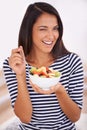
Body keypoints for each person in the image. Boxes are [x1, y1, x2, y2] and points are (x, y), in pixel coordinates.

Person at [3, 2, 84, 130]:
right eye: (43, 29)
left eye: (55, 28)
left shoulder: (72, 62)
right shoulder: (13, 64)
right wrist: (21, 75)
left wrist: (60, 91)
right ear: (29, 30)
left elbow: (75, 117)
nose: (51, 36)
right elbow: (25, 117)